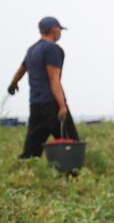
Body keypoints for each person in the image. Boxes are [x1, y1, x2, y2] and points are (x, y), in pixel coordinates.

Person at [8, 16, 76, 159]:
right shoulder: (52, 49)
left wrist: (13, 85)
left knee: (31, 150)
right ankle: (71, 174)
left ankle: (23, 175)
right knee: (71, 144)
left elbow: (21, 70)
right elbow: (54, 79)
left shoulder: (32, 50)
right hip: (52, 104)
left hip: (36, 105)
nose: (60, 33)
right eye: (60, 30)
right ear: (54, 30)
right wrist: (62, 106)